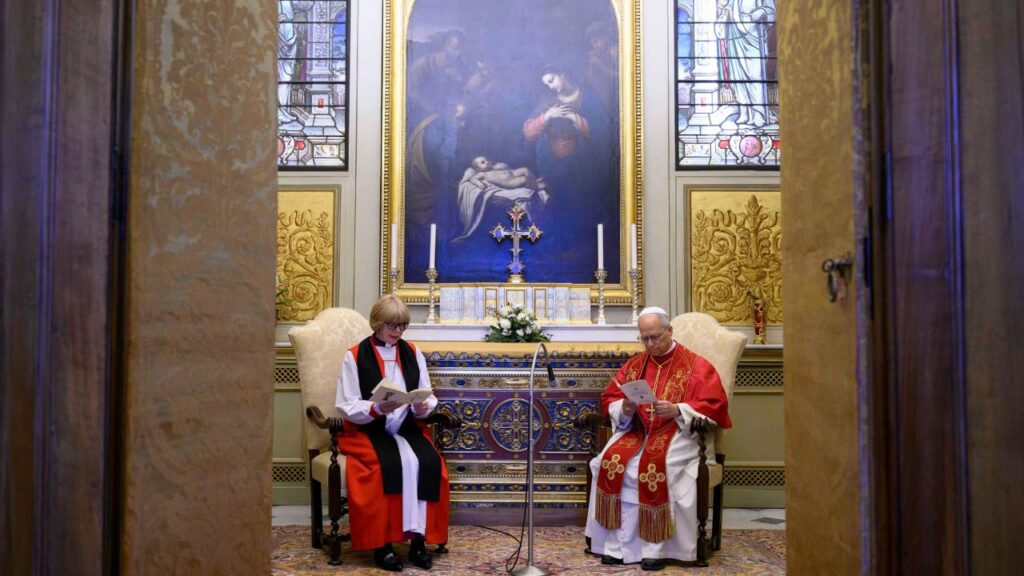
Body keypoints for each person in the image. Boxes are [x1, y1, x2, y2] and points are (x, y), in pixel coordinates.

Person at [585, 306, 731, 571]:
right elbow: (610, 399)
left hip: (678, 435)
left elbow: (715, 407)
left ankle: (656, 549)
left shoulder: (696, 366)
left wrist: (678, 410)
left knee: (656, 466)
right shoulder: (635, 365)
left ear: (669, 331)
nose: (650, 344)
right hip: (638, 433)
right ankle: (616, 546)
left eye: (655, 337)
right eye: (644, 338)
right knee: (609, 460)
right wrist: (624, 408)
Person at [335, 295, 449, 572]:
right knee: (380, 469)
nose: (398, 331)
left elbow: (426, 393)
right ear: (377, 323)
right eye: (392, 325)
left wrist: (423, 406)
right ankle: (382, 546)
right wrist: (376, 408)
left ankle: (418, 542)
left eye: (402, 326)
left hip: (407, 429)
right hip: (367, 431)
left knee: (430, 463)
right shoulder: (355, 356)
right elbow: (347, 403)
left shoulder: (413, 352)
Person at [452, 156, 549, 242]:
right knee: (524, 179)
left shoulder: (495, 167)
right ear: (478, 169)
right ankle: (537, 186)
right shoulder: (482, 174)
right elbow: (472, 179)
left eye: (486, 160)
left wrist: (502, 166)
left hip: (513, 173)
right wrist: (479, 184)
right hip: (510, 182)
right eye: (483, 162)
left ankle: (534, 181)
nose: (487, 162)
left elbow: (507, 168)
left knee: (525, 169)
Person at [717, 0, 777, 127]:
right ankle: (744, 111)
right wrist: (722, 19)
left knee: (755, 75)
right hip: (735, 32)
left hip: (754, 33)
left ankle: (758, 113)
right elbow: (729, 7)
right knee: (738, 75)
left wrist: (763, 11)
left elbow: (772, 13)